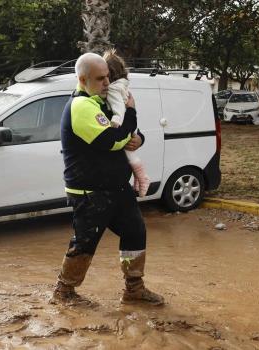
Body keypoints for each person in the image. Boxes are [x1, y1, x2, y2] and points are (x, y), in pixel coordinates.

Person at [51, 52, 164, 306]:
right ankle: (64, 291)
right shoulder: (82, 106)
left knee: (135, 232)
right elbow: (111, 140)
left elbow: (125, 129)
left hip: (116, 188)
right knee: (86, 241)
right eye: (101, 79)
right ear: (82, 79)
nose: (106, 83)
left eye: (108, 78)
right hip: (89, 191)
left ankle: (134, 289)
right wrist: (132, 114)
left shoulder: (102, 101)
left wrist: (139, 138)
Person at [103, 49, 150, 197]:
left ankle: (141, 178)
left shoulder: (112, 90)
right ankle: (140, 179)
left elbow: (130, 120)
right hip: (111, 180)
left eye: (105, 76)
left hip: (118, 182)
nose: (104, 82)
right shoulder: (122, 86)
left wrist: (140, 138)